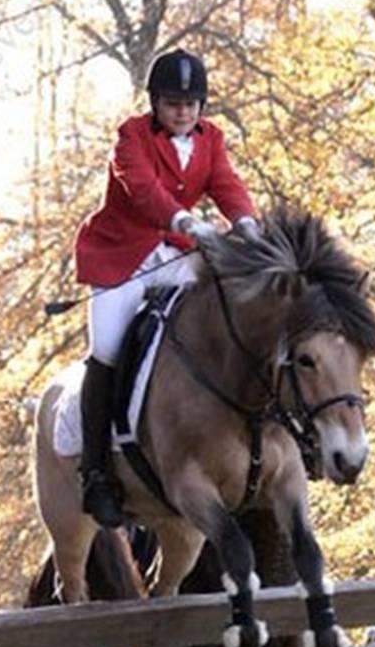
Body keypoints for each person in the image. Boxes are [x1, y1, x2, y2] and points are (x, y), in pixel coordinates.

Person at [74, 48, 260, 527]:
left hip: (178, 257)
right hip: (122, 258)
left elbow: (226, 184)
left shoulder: (211, 139)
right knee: (108, 352)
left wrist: (247, 224)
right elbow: (142, 190)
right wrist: (184, 220)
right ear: (156, 102)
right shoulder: (130, 137)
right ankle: (97, 474)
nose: (183, 111)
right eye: (174, 103)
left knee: (225, 320)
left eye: (191, 103)